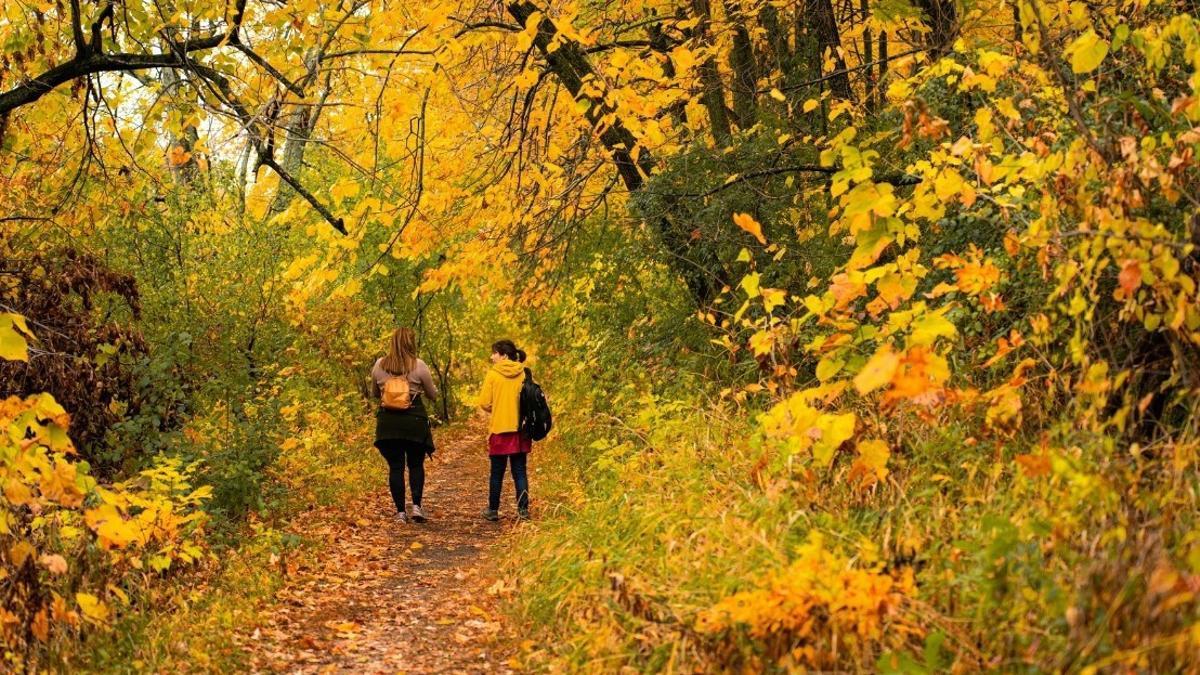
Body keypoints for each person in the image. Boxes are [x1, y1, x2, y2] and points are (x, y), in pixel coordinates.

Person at [371, 327, 438, 524]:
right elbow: (433, 395)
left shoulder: (379, 365)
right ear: (411, 343)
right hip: (414, 421)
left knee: (396, 466)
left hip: (388, 423)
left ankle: (400, 512)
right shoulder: (419, 365)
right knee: (416, 464)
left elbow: (375, 394)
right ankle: (417, 507)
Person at [477, 339, 531, 521]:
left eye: (494, 353)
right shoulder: (523, 372)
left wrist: (498, 408)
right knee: (520, 471)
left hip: (500, 430)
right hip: (520, 430)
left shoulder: (493, 375)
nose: (492, 357)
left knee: (497, 473)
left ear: (504, 355)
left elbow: (484, 403)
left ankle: (493, 510)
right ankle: (523, 511)